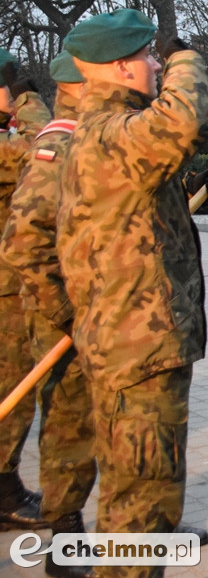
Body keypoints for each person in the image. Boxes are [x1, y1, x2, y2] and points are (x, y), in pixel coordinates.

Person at [56, 9, 208, 573]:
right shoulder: (108, 134)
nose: (156, 65)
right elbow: (184, 121)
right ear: (122, 67)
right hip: (137, 353)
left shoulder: (99, 135)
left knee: (137, 497)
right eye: (148, 56)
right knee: (141, 508)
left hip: (127, 347)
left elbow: (132, 220)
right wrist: (186, 57)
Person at [1, 51, 99, 578]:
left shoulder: (96, 138)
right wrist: (65, 312)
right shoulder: (55, 143)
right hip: (49, 305)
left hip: (103, 311)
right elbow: (23, 242)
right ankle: (65, 539)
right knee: (65, 418)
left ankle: (143, 526)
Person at [0, 49, 48, 532]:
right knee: (11, 387)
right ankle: (3, 493)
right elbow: (41, 148)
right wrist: (27, 99)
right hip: (4, 294)